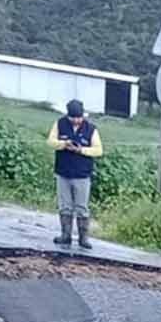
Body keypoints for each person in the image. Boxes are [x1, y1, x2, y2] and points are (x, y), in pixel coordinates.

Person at [47, 100, 103, 249]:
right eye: (73, 118)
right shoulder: (59, 124)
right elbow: (51, 142)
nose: (77, 121)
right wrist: (63, 144)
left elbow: (98, 150)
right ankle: (65, 235)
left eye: (79, 117)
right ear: (68, 116)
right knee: (64, 206)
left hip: (82, 174)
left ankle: (83, 238)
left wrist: (81, 150)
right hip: (63, 172)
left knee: (81, 207)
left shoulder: (91, 129)